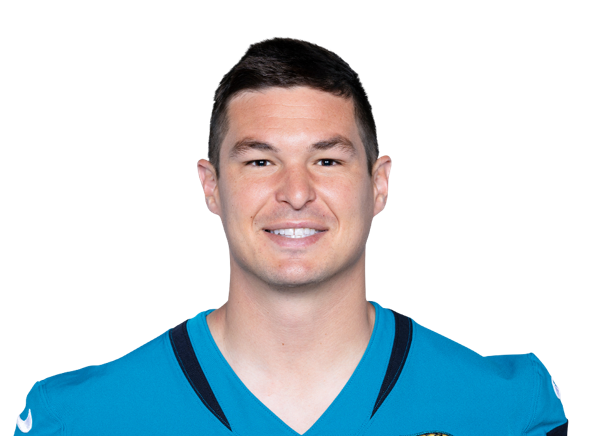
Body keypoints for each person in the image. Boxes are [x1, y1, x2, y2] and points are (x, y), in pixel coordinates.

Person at [14, 38, 568, 436]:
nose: (296, 193)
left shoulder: (506, 410)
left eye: (327, 160)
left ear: (379, 185)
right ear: (211, 187)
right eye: (260, 161)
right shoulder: (78, 420)